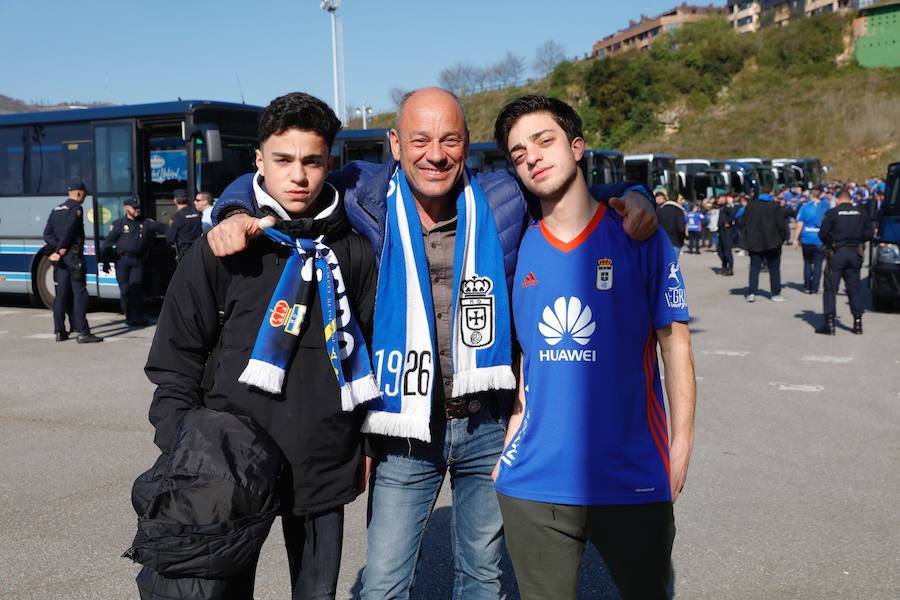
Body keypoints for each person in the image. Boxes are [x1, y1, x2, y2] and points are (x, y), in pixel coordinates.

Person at [205, 87, 659, 600]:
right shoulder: (364, 194)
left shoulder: (502, 197)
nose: (435, 154)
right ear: (395, 144)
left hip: (486, 421)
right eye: (420, 140)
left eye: (450, 140)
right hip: (403, 427)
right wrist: (233, 209)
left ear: (467, 146)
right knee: (383, 583)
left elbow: (577, 188)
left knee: (482, 576)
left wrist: (642, 199)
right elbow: (280, 170)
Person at [142, 92, 379, 598]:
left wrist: (364, 444)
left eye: (312, 161)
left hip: (323, 462)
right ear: (259, 161)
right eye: (283, 159)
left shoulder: (355, 252)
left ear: (329, 163)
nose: (298, 175)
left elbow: (373, 354)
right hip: (227, 464)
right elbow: (175, 355)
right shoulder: (225, 247)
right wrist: (183, 440)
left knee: (315, 594)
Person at [492, 95, 695, 600]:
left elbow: (676, 348)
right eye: (518, 153)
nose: (533, 157)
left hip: (633, 476)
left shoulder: (639, 236)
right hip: (533, 482)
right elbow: (525, 357)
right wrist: (508, 447)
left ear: (577, 147)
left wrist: (682, 447)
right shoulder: (514, 246)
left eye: (544, 141)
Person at [42, 182, 102, 343]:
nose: (85, 197)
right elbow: (69, 230)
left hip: (60, 260)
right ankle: (83, 332)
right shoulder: (76, 208)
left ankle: (60, 331)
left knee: (61, 295)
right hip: (73, 257)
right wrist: (62, 249)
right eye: (84, 194)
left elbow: (46, 234)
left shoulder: (56, 209)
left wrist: (57, 250)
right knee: (80, 293)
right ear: (78, 194)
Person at [99, 197, 168, 326]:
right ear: (126, 209)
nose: (137, 210)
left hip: (137, 260)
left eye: (138, 208)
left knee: (136, 288)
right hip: (122, 261)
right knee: (125, 289)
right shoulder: (118, 224)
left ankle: (136, 316)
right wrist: (106, 262)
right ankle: (129, 315)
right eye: (134, 208)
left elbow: (164, 228)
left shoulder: (145, 223)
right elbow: (107, 244)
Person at [815, 189, 875, 335]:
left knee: (830, 288)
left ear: (838, 200)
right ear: (850, 199)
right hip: (855, 253)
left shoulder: (832, 213)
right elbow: (869, 233)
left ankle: (829, 324)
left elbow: (822, 234)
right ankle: (858, 323)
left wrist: (831, 242)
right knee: (854, 288)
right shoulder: (861, 213)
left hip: (837, 253)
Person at [740, 185, 787, 302]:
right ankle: (775, 293)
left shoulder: (751, 205)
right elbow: (782, 225)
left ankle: (751, 292)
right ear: (770, 193)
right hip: (773, 242)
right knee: (774, 268)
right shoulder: (775, 206)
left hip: (754, 242)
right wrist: (782, 239)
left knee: (754, 268)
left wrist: (746, 239)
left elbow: (743, 223)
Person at [791, 189, 829, 294]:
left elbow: (799, 225)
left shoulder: (804, 207)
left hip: (807, 238)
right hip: (820, 239)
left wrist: (795, 240)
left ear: (811, 196)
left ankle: (807, 286)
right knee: (818, 264)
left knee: (807, 262)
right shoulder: (825, 207)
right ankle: (815, 288)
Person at [166, 188, 202, 260]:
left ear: (175, 201)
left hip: (184, 251)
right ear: (188, 200)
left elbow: (170, 237)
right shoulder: (198, 214)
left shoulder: (177, 217)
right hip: (197, 249)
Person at [655, 188, 686, 257]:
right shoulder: (679, 211)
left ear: (667, 197)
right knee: (672, 266)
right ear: (677, 198)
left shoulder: (660, 209)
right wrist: (681, 240)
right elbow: (681, 228)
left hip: (661, 241)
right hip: (675, 242)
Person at [716, 196, 736, 276]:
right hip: (721, 231)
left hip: (727, 231)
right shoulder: (721, 207)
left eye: (720, 199)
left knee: (727, 250)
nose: (718, 200)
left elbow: (732, 213)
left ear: (724, 200)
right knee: (720, 250)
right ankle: (724, 267)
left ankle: (730, 269)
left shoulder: (726, 206)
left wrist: (728, 222)